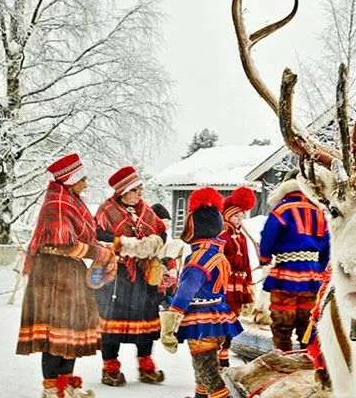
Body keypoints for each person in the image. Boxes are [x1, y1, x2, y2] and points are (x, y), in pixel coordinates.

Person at [17, 153, 116, 398]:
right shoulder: (57, 204)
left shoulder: (71, 200)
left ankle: (66, 384)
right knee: (55, 332)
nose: (86, 183)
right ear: (70, 180)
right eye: (82, 178)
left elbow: (81, 240)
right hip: (53, 276)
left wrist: (103, 250)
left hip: (69, 273)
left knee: (71, 331)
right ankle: (52, 388)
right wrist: (99, 253)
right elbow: (61, 245)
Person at [159, 187, 243, 398]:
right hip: (219, 318)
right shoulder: (218, 255)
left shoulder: (197, 259)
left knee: (207, 371)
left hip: (201, 322)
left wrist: (172, 319)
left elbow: (186, 290)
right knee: (205, 366)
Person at [94, 166, 167, 386]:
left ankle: (145, 365)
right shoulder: (106, 211)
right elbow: (96, 234)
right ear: (122, 192)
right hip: (117, 275)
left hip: (143, 276)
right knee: (112, 323)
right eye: (135, 190)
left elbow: (161, 231)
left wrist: (153, 242)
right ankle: (110, 368)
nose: (139, 194)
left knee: (145, 320)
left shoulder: (146, 210)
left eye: (141, 190)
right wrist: (126, 244)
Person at [259, 169, 330, 352]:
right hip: (312, 275)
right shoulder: (320, 212)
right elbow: (328, 244)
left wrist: (265, 257)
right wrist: (319, 267)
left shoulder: (281, 209)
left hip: (286, 273)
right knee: (308, 317)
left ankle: (283, 354)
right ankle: (308, 355)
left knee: (283, 317)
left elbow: (268, 236)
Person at [218, 186, 256, 367]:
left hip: (239, 284)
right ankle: (220, 355)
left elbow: (247, 262)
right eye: (235, 217)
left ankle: (225, 351)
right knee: (224, 319)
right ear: (226, 216)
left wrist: (249, 283)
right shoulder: (223, 236)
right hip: (227, 284)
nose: (239, 220)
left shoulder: (241, 237)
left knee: (234, 318)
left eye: (241, 217)